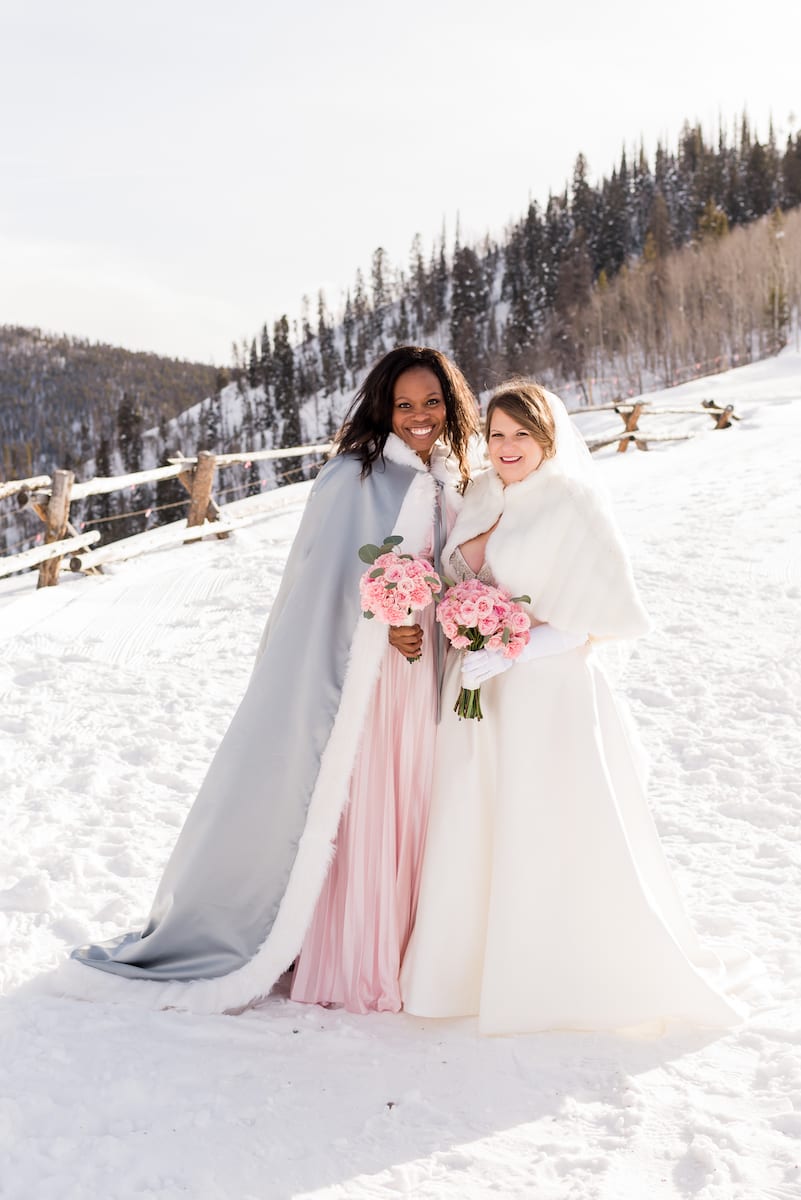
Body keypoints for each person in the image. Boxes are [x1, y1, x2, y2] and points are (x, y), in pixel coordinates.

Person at [58, 346, 479, 1015]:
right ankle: (352, 958)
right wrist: (383, 624)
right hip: (367, 683)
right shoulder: (354, 477)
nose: (419, 416)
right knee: (364, 805)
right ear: (383, 407)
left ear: (451, 405)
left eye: (432, 402)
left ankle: (407, 950)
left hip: (426, 671)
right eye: (404, 404)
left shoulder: (453, 476)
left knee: (415, 801)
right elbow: (322, 589)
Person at [400, 380, 743, 1034]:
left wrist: (514, 651)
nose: (507, 447)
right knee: (474, 819)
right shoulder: (481, 493)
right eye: (496, 434)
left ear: (547, 438)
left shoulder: (572, 502)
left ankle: (548, 973)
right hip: (475, 690)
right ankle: (461, 970)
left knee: (540, 823)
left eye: (521, 435)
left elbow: (593, 620)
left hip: (543, 692)